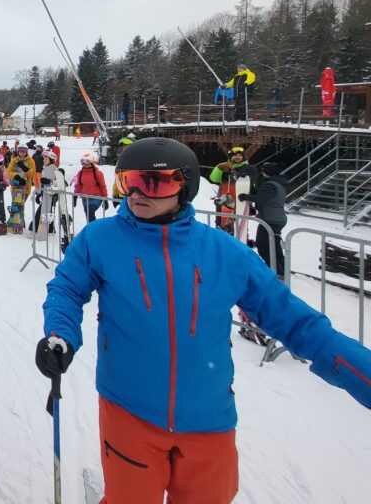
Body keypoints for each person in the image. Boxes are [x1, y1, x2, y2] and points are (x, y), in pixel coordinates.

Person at [37, 137, 371, 504]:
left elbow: (297, 323)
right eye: (128, 181)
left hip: (208, 418)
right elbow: (67, 289)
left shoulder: (224, 252)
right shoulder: (100, 239)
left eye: (153, 182)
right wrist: (60, 334)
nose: (136, 193)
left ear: (185, 187)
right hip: (129, 411)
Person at [240, 162, 288, 279]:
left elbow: (260, 198)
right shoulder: (278, 183)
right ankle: (282, 269)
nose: (261, 173)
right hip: (277, 218)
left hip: (270, 220)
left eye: (263, 171)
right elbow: (261, 194)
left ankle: (275, 270)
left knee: (263, 246)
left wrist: (245, 197)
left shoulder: (270, 185)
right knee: (274, 245)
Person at [71, 152, 109, 222]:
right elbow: (78, 185)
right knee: (88, 215)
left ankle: (93, 227)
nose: (85, 164)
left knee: (90, 211)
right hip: (85, 198)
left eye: (87, 162)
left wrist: (105, 200)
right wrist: (75, 196)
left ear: (91, 163)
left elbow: (103, 186)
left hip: (96, 198)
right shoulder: (80, 173)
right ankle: (91, 227)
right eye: (83, 162)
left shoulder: (98, 173)